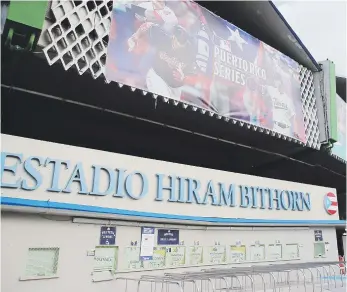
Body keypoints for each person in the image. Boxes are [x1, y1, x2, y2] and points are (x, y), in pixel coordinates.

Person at [128, 23, 196, 100]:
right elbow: (148, 25)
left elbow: (193, 76)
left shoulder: (190, 52)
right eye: (177, 40)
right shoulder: (162, 38)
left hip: (175, 88)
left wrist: (183, 78)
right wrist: (134, 37)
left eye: (181, 43)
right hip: (157, 76)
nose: (177, 44)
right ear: (173, 36)